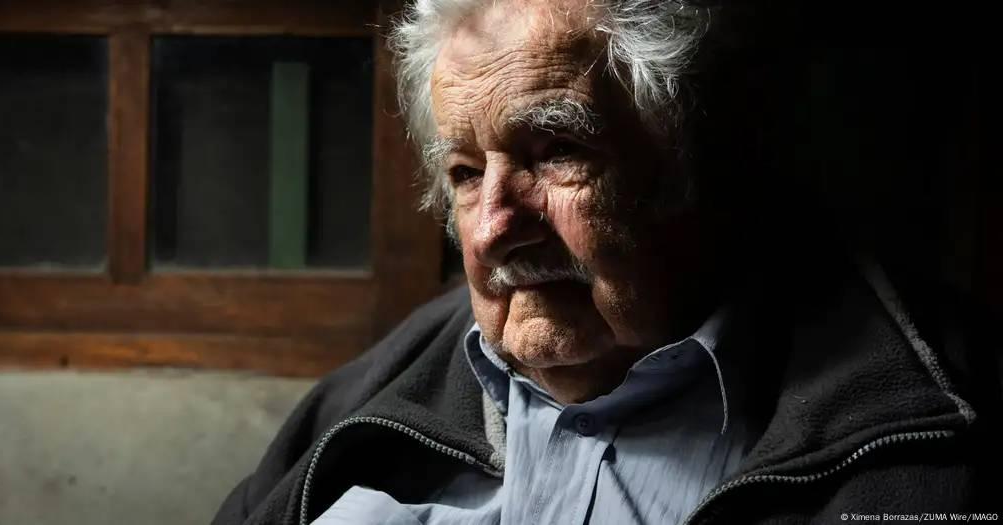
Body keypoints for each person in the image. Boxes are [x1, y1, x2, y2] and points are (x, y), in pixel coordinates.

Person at [215, 0, 1000, 523]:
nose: (491, 230)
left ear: (695, 157)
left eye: (556, 151)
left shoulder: (935, 424)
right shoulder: (381, 383)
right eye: (465, 172)